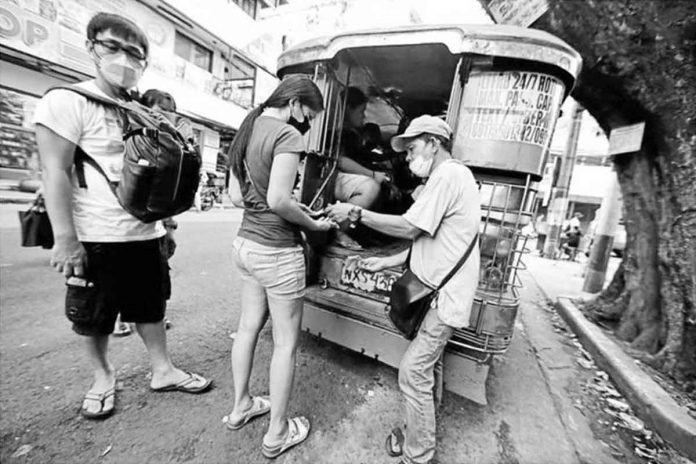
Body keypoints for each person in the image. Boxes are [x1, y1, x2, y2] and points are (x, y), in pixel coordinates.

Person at [33, 12, 211, 420]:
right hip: (95, 235)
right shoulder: (66, 100)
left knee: (151, 308)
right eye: (113, 47)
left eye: (135, 53)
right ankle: (102, 377)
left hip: (144, 234)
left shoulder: (140, 109)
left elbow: (158, 177)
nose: (124, 59)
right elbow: (54, 171)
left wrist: (164, 226)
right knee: (94, 317)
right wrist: (65, 239)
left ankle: (163, 370)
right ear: (92, 48)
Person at [326, 115, 480, 464]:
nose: (409, 160)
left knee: (413, 371)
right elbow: (429, 237)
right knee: (429, 368)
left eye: (412, 150)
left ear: (433, 143)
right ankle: (419, 432)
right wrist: (386, 263)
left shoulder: (449, 175)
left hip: (445, 297)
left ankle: (418, 454)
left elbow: (411, 227)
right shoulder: (450, 178)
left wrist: (356, 213)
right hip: (437, 292)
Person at [224, 75, 337, 459]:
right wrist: (313, 223)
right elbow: (277, 199)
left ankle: (240, 407)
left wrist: (288, 207)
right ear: (294, 102)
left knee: (247, 328)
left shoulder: (248, 126)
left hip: (244, 245)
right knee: (286, 344)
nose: (306, 123)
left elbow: (236, 195)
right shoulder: (287, 136)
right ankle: (277, 433)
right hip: (275, 251)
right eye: (307, 114)